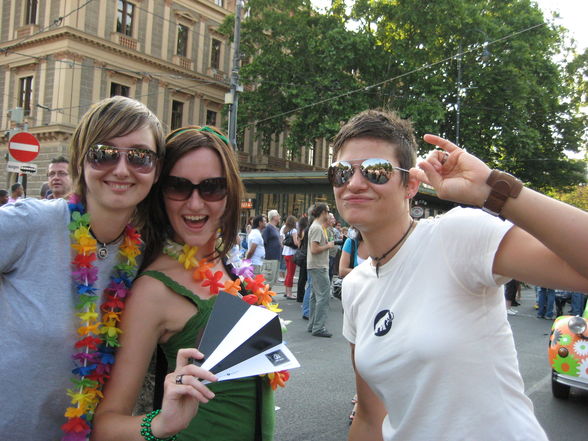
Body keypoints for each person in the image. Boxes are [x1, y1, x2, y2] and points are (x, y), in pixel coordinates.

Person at [330, 109, 588, 441]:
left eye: (375, 171)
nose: (353, 184)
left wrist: (492, 190)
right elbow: (369, 416)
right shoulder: (355, 286)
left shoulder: (457, 234)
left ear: (411, 184)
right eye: (340, 172)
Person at [92, 125, 275, 441]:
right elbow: (106, 425)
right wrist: (161, 424)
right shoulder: (154, 290)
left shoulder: (231, 264)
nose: (194, 204)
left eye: (212, 187)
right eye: (178, 186)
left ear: (229, 193)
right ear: (160, 193)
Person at [0, 96, 165, 441]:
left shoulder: (146, 256)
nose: (121, 169)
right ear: (81, 159)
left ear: (157, 170)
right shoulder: (34, 223)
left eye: (139, 157)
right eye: (104, 153)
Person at [306, 203, 335, 338]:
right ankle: (318, 327)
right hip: (319, 266)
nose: (329, 214)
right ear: (323, 212)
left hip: (315, 265)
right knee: (323, 297)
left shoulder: (317, 227)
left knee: (314, 296)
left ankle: (313, 325)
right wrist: (328, 245)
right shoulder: (317, 228)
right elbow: (314, 249)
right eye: (328, 211)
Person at [281, 215, 299, 299]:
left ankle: (286, 291)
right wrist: (300, 243)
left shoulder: (285, 230)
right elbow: (295, 243)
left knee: (288, 273)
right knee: (291, 274)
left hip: (286, 253)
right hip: (292, 253)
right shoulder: (294, 230)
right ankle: (289, 293)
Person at [263, 209, 282, 278]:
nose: (279, 217)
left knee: (273, 279)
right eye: (278, 215)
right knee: (268, 279)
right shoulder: (268, 228)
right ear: (274, 217)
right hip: (270, 258)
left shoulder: (276, 229)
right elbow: (264, 242)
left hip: (276, 257)